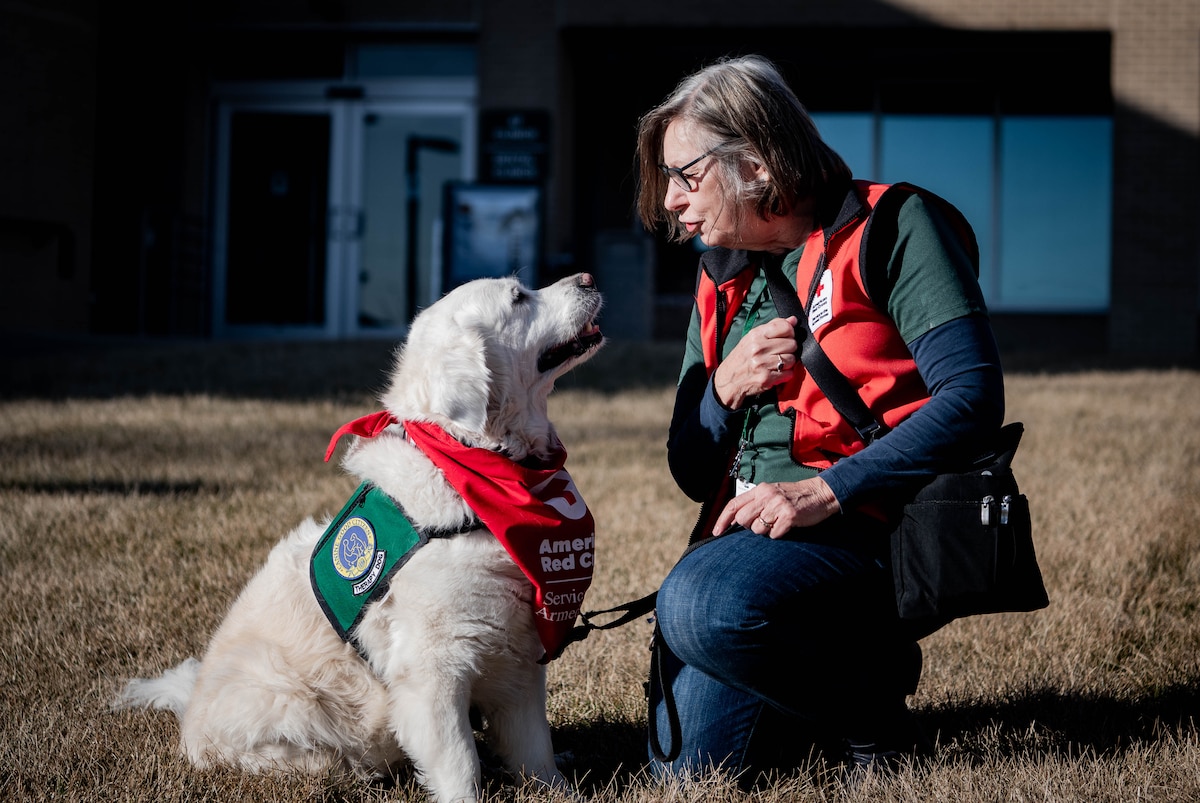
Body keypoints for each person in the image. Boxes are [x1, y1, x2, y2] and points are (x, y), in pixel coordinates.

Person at [634, 54, 1006, 783]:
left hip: (872, 525)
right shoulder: (718, 280)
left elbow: (973, 398)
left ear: (760, 162)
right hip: (751, 543)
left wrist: (824, 490)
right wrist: (723, 390)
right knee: (684, 774)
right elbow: (687, 469)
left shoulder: (895, 224)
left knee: (697, 601)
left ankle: (871, 709)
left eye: (687, 175)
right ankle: (817, 682)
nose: (673, 201)